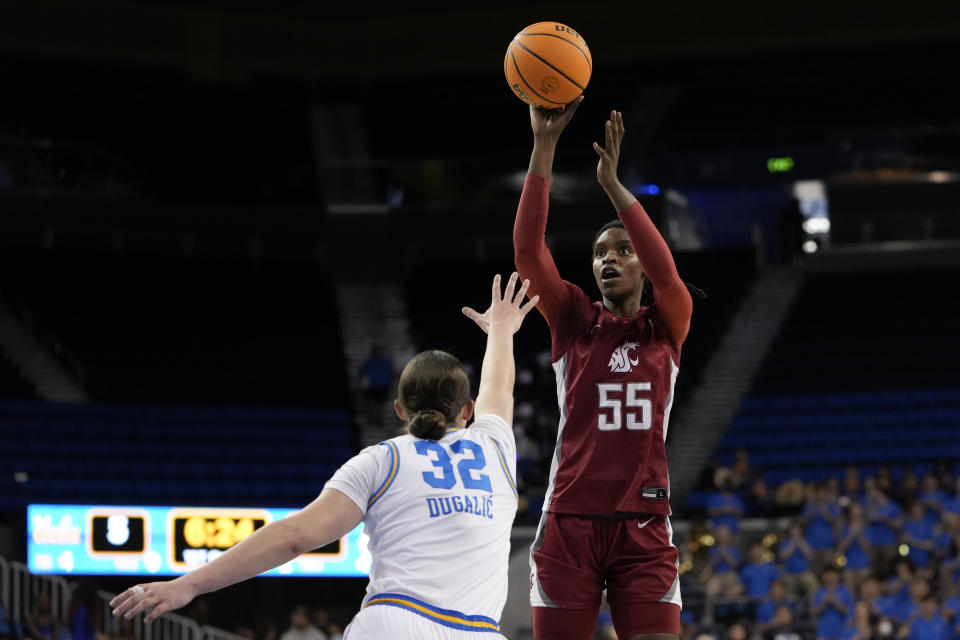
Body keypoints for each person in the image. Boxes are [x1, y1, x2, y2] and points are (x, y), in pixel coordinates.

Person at [110, 273, 539, 639]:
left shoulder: (381, 460)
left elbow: (293, 536)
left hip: (396, 623)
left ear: (400, 411)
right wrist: (502, 329)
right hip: (479, 630)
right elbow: (498, 387)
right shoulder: (495, 448)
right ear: (468, 411)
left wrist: (189, 585)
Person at [514, 98, 694, 640]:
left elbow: (667, 275)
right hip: (570, 522)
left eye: (621, 250)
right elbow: (527, 252)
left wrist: (613, 186)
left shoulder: (667, 323)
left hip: (643, 527)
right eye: (598, 252)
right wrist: (543, 146)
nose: (608, 259)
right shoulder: (572, 319)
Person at [812, 567, 853, 640]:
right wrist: (824, 603)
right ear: (823, 577)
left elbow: (848, 611)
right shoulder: (819, 592)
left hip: (841, 632)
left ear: (837, 575)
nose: (830, 577)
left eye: (832, 574)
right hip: (823, 632)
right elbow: (815, 613)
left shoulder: (845, 591)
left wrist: (835, 602)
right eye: (827, 574)